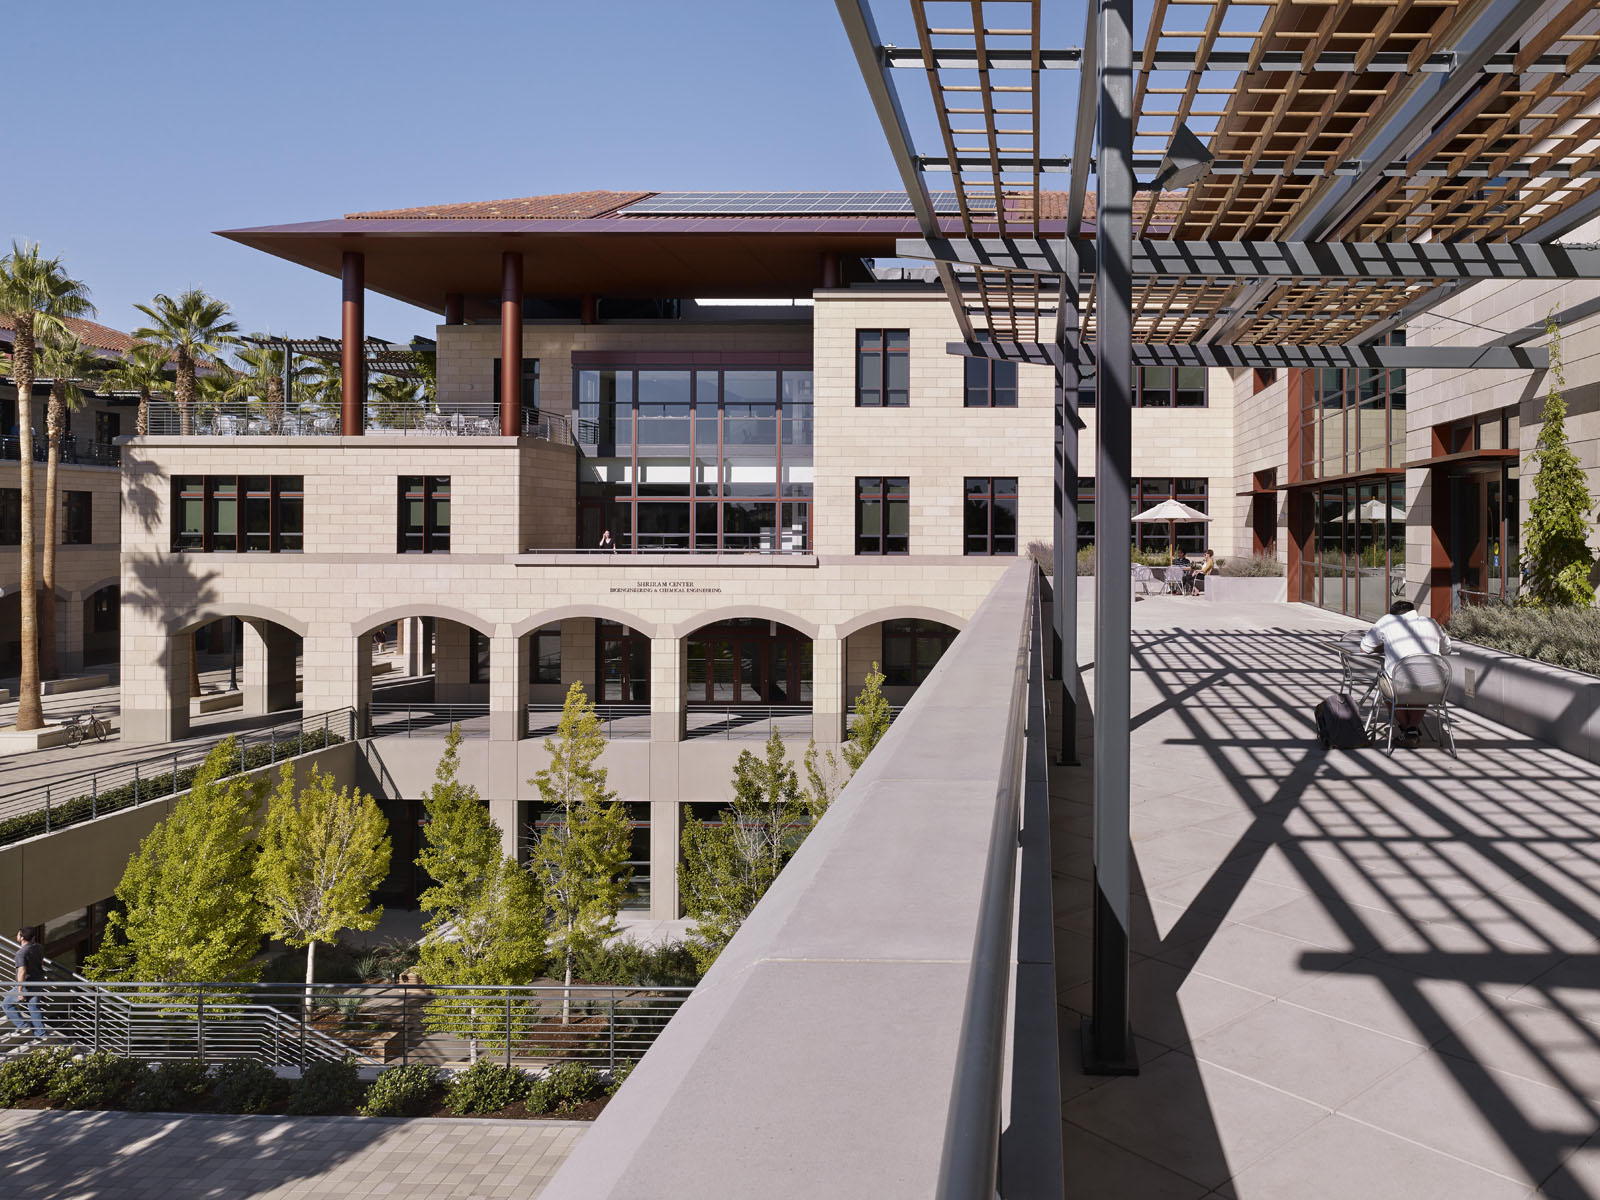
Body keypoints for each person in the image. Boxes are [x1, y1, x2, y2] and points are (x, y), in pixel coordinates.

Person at [1360, 599, 1452, 745]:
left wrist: (1385, 646)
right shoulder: (1431, 623)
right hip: (1435, 689)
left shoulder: (1388, 621)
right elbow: (1447, 649)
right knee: (1424, 681)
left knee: (1386, 686)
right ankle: (1412, 728)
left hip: (1399, 688)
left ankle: (1407, 728)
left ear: (1393, 614)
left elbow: (1364, 648)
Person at [3, 926, 48, 1041]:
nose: (17, 936)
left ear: (22, 937)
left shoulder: (21, 953)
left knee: (7, 1004)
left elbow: (22, 971)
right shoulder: (38, 947)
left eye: (18, 934)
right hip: (39, 981)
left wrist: (19, 990)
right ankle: (41, 1034)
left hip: (28, 984)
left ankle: (23, 1026)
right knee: (33, 1007)